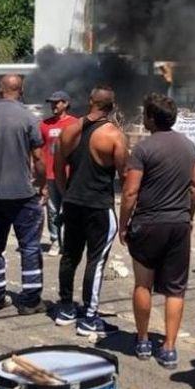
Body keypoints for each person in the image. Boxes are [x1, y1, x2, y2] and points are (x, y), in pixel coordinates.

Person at [119, 94, 195, 369]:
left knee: (143, 284)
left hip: (148, 223)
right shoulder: (189, 147)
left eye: (145, 115)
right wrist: (188, 218)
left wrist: (123, 224)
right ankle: (169, 348)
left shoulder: (143, 149)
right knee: (176, 289)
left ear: (151, 118)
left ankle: (142, 340)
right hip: (178, 224)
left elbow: (130, 191)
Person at [54, 86, 128, 337]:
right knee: (95, 262)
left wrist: (67, 196)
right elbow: (126, 176)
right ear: (112, 106)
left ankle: (65, 308)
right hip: (98, 206)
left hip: (72, 202)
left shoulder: (68, 131)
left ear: (89, 102)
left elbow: (58, 168)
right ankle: (89, 318)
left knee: (69, 256)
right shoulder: (114, 135)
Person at [0, 74, 47, 315]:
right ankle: (30, 300)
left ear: (0, 89)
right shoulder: (29, 118)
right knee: (30, 247)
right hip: (24, 195)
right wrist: (42, 185)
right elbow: (38, 158)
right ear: (21, 90)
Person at [40, 90, 78, 257]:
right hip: (50, 174)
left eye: (57, 102)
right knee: (52, 209)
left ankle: (70, 241)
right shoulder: (44, 124)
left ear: (66, 104)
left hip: (70, 174)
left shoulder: (75, 124)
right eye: (52, 102)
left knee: (70, 208)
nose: (54, 105)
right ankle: (55, 240)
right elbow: (39, 150)